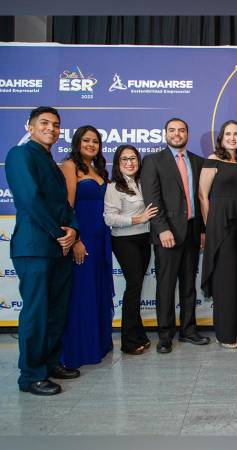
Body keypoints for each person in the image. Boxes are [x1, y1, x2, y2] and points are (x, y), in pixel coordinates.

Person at [6, 107, 79, 395]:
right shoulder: (19, 154)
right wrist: (60, 233)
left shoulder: (52, 162)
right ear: (30, 126)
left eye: (56, 124)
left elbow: (64, 205)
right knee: (36, 313)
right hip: (35, 247)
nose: (51, 128)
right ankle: (31, 375)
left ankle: (50, 363)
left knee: (56, 312)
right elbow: (30, 199)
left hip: (59, 247)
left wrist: (73, 230)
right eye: (44, 123)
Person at [141, 118, 209, 354]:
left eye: (181, 130)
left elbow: (201, 201)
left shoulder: (198, 162)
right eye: (172, 130)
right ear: (165, 134)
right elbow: (152, 198)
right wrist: (162, 229)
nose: (177, 134)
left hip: (192, 231)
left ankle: (189, 330)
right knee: (166, 286)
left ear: (187, 134)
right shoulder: (153, 161)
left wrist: (202, 231)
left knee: (189, 285)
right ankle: (165, 335)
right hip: (167, 233)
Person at [60, 125, 114, 369]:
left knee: (98, 289)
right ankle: (80, 348)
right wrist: (77, 240)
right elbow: (67, 205)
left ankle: (99, 343)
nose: (91, 145)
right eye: (86, 141)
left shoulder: (98, 169)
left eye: (95, 141)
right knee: (82, 293)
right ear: (77, 143)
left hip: (102, 237)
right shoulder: (70, 166)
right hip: (84, 238)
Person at [200, 120, 237, 349]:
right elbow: (203, 195)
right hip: (220, 223)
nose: (232, 138)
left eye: (236, 134)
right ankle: (224, 334)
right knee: (225, 279)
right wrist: (209, 226)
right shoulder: (213, 160)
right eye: (228, 134)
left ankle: (236, 329)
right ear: (221, 138)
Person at [104, 145, 158, 355]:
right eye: (124, 159)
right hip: (125, 241)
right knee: (133, 288)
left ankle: (139, 335)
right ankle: (128, 341)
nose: (129, 162)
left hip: (144, 239)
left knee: (136, 287)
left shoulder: (142, 183)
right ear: (118, 163)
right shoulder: (114, 187)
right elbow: (109, 218)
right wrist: (139, 218)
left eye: (133, 158)